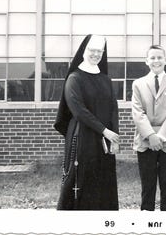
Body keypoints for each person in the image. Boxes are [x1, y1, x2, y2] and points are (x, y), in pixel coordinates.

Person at [54, 34, 119, 210]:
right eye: (92, 50)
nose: (96, 54)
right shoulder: (75, 78)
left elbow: (114, 108)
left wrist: (114, 136)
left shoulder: (106, 79)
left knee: (103, 181)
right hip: (82, 136)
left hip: (104, 140)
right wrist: (105, 131)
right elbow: (79, 110)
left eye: (100, 51)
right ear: (84, 51)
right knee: (81, 180)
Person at [132, 45, 166, 211]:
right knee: (148, 186)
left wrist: (160, 136)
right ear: (147, 61)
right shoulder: (138, 84)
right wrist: (151, 136)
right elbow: (138, 112)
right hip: (145, 141)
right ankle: (147, 220)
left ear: (165, 60)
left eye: (159, 57)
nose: (156, 61)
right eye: (152, 58)